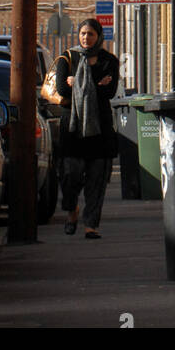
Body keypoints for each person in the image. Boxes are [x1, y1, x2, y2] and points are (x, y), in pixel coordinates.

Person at [55, 18, 119, 238]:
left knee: (97, 179)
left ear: (98, 36)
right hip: (73, 129)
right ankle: (72, 210)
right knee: (70, 175)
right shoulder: (67, 58)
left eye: (90, 34)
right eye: (83, 33)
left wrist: (81, 82)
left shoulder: (109, 60)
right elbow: (62, 88)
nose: (86, 38)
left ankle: (91, 224)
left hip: (100, 129)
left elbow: (109, 92)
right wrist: (95, 83)